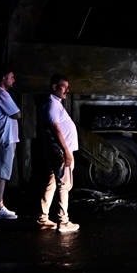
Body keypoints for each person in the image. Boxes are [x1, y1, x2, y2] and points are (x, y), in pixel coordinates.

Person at [38, 74, 80, 232]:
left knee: (51, 185)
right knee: (64, 185)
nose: (67, 90)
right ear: (55, 87)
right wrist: (66, 152)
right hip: (60, 152)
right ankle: (63, 221)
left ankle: (42, 219)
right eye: (64, 87)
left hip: (55, 151)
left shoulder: (53, 103)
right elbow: (55, 128)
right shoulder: (52, 104)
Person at [0, 68, 22, 220]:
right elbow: (17, 114)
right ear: (3, 78)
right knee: (1, 173)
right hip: (4, 138)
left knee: (2, 172)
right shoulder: (1, 93)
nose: (13, 80)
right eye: (11, 77)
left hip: (5, 137)